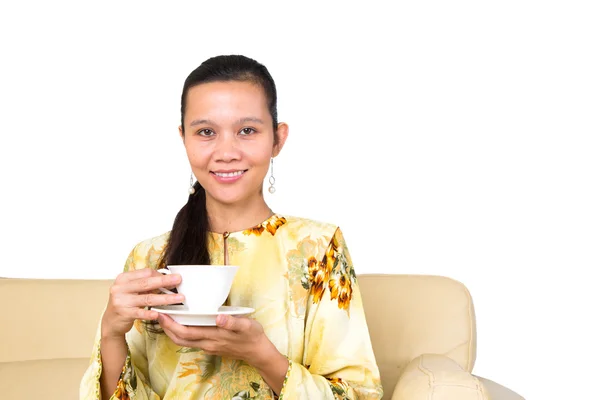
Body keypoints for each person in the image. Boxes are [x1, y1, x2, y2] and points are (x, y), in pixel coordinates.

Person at [80, 55, 383, 399]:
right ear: (184, 138)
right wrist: (110, 332)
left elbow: (357, 395)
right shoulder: (148, 256)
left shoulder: (318, 247)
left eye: (247, 131)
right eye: (206, 132)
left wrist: (260, 353)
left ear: (277, 140)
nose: (226, 152)